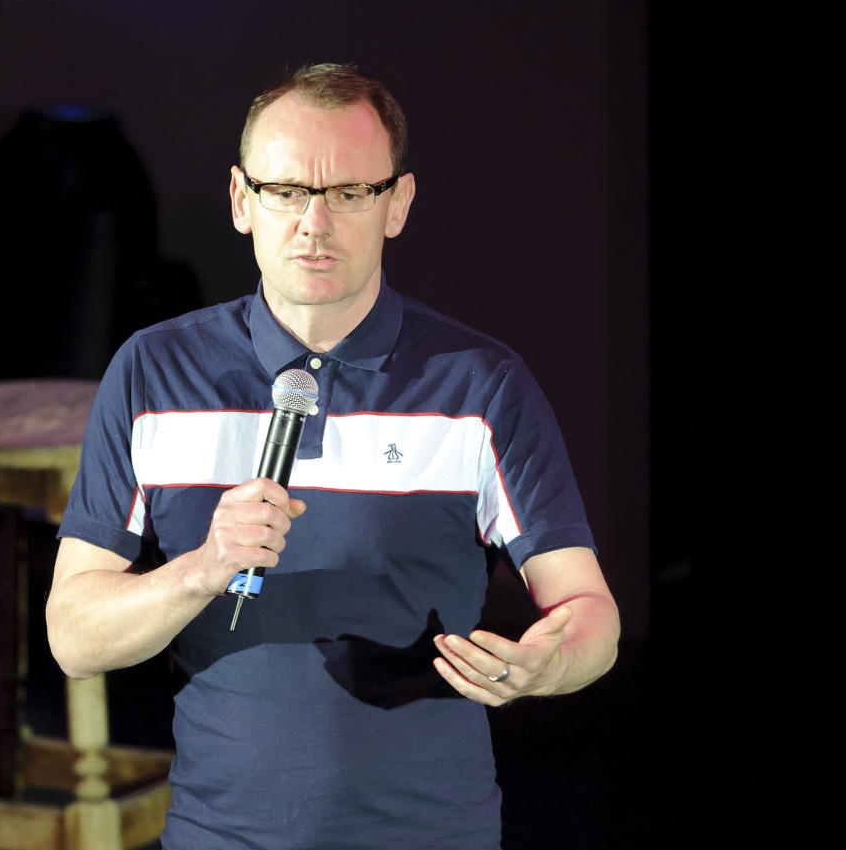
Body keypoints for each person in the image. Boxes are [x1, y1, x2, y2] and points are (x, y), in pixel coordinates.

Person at [46, 63, 621, 850]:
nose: (314, 223)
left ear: (398, 204)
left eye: (349, 193)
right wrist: (202, 567)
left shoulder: (481, 386)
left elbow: (592, 615)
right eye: (286, 191)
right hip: (221, 834)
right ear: (242, 201)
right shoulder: (153, 373)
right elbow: (73, 636)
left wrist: (545, 667)